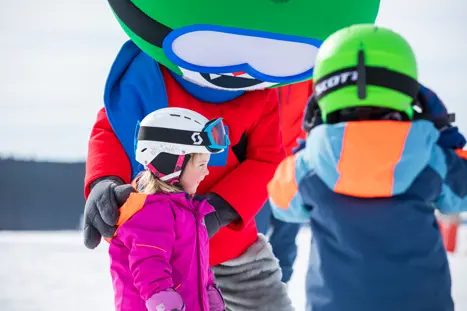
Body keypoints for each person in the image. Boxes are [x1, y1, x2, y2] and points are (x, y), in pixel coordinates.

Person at [83, 1, 382, 310]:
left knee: (265, 296)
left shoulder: (259, 97)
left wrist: (220, 209)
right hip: (157, 235)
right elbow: (112, 131)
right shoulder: (145, 82)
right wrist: (104, 181)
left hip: (232, 245)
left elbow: (267, 157)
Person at [268, 24, 467, 311]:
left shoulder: (309, 163)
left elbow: (281, 203)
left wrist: (309, 138)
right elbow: (460, 194)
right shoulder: (430, 156)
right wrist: (447, 132)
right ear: (409, 89)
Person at [107, 107, 227, 311]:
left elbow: (198, 268)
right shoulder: (151, 213)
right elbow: (148, 263)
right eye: (200, 165)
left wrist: (210, 296)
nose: (207, 172)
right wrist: (162, 300)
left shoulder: (191, 212)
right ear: (171, 163)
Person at [254, 81, 312, 283]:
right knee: (251, 239)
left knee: (285, 239)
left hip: (292, 166)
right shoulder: (261, 61)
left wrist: (305, 147)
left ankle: (280, 291)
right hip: (258, 162)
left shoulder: (307, 66)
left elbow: (317, 105)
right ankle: (244, 295)